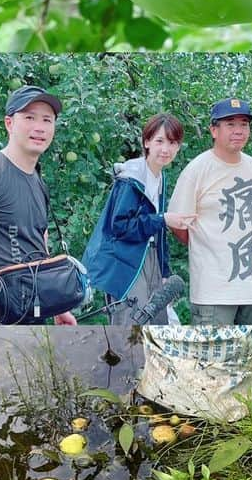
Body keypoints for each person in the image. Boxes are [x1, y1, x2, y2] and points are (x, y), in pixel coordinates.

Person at [0, 86, 77, 326]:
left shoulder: (38, 181)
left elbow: (39, 242)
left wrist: (57, 306)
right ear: (9, 124)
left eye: (47, 120)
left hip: (32, 311)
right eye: (29, 117)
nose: (39, 127)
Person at [167, 98, 252, 326]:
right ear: (213, 130)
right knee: (214, 356)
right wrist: (206, 245)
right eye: (230, 124)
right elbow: (177, 223)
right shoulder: (197, 169)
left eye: (244, 124)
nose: (238, 131)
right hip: (214, 290)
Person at [82, 114, 194, 325]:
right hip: (127, 262)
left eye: (172, 143)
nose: (165, 149)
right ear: (147, 142)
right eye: (159, 141)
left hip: (149, 259)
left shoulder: (159, 177)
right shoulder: (131, 179)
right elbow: (120, 227)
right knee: (132, 326)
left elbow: (158, 232)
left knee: (158, 322)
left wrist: (164, 271)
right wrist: (163, 219)